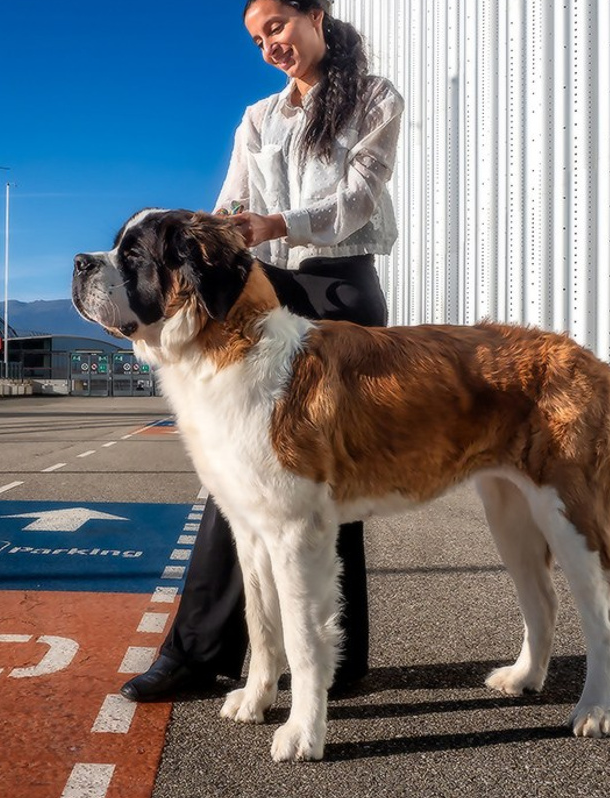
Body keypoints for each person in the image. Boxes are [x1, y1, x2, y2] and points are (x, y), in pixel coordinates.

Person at [121, 0, 404, 702]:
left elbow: (359, 200)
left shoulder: (374, 96)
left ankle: (334, 661)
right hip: (270, 292)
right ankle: (202, 647)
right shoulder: (257, 119)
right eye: (257, 39)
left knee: (333, 481)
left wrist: (276, 222)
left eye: (276, 26)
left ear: (316, 14)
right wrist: (209, 235)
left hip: (344, 294)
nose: (269, 45)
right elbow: (227, 208)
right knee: (238, 473)